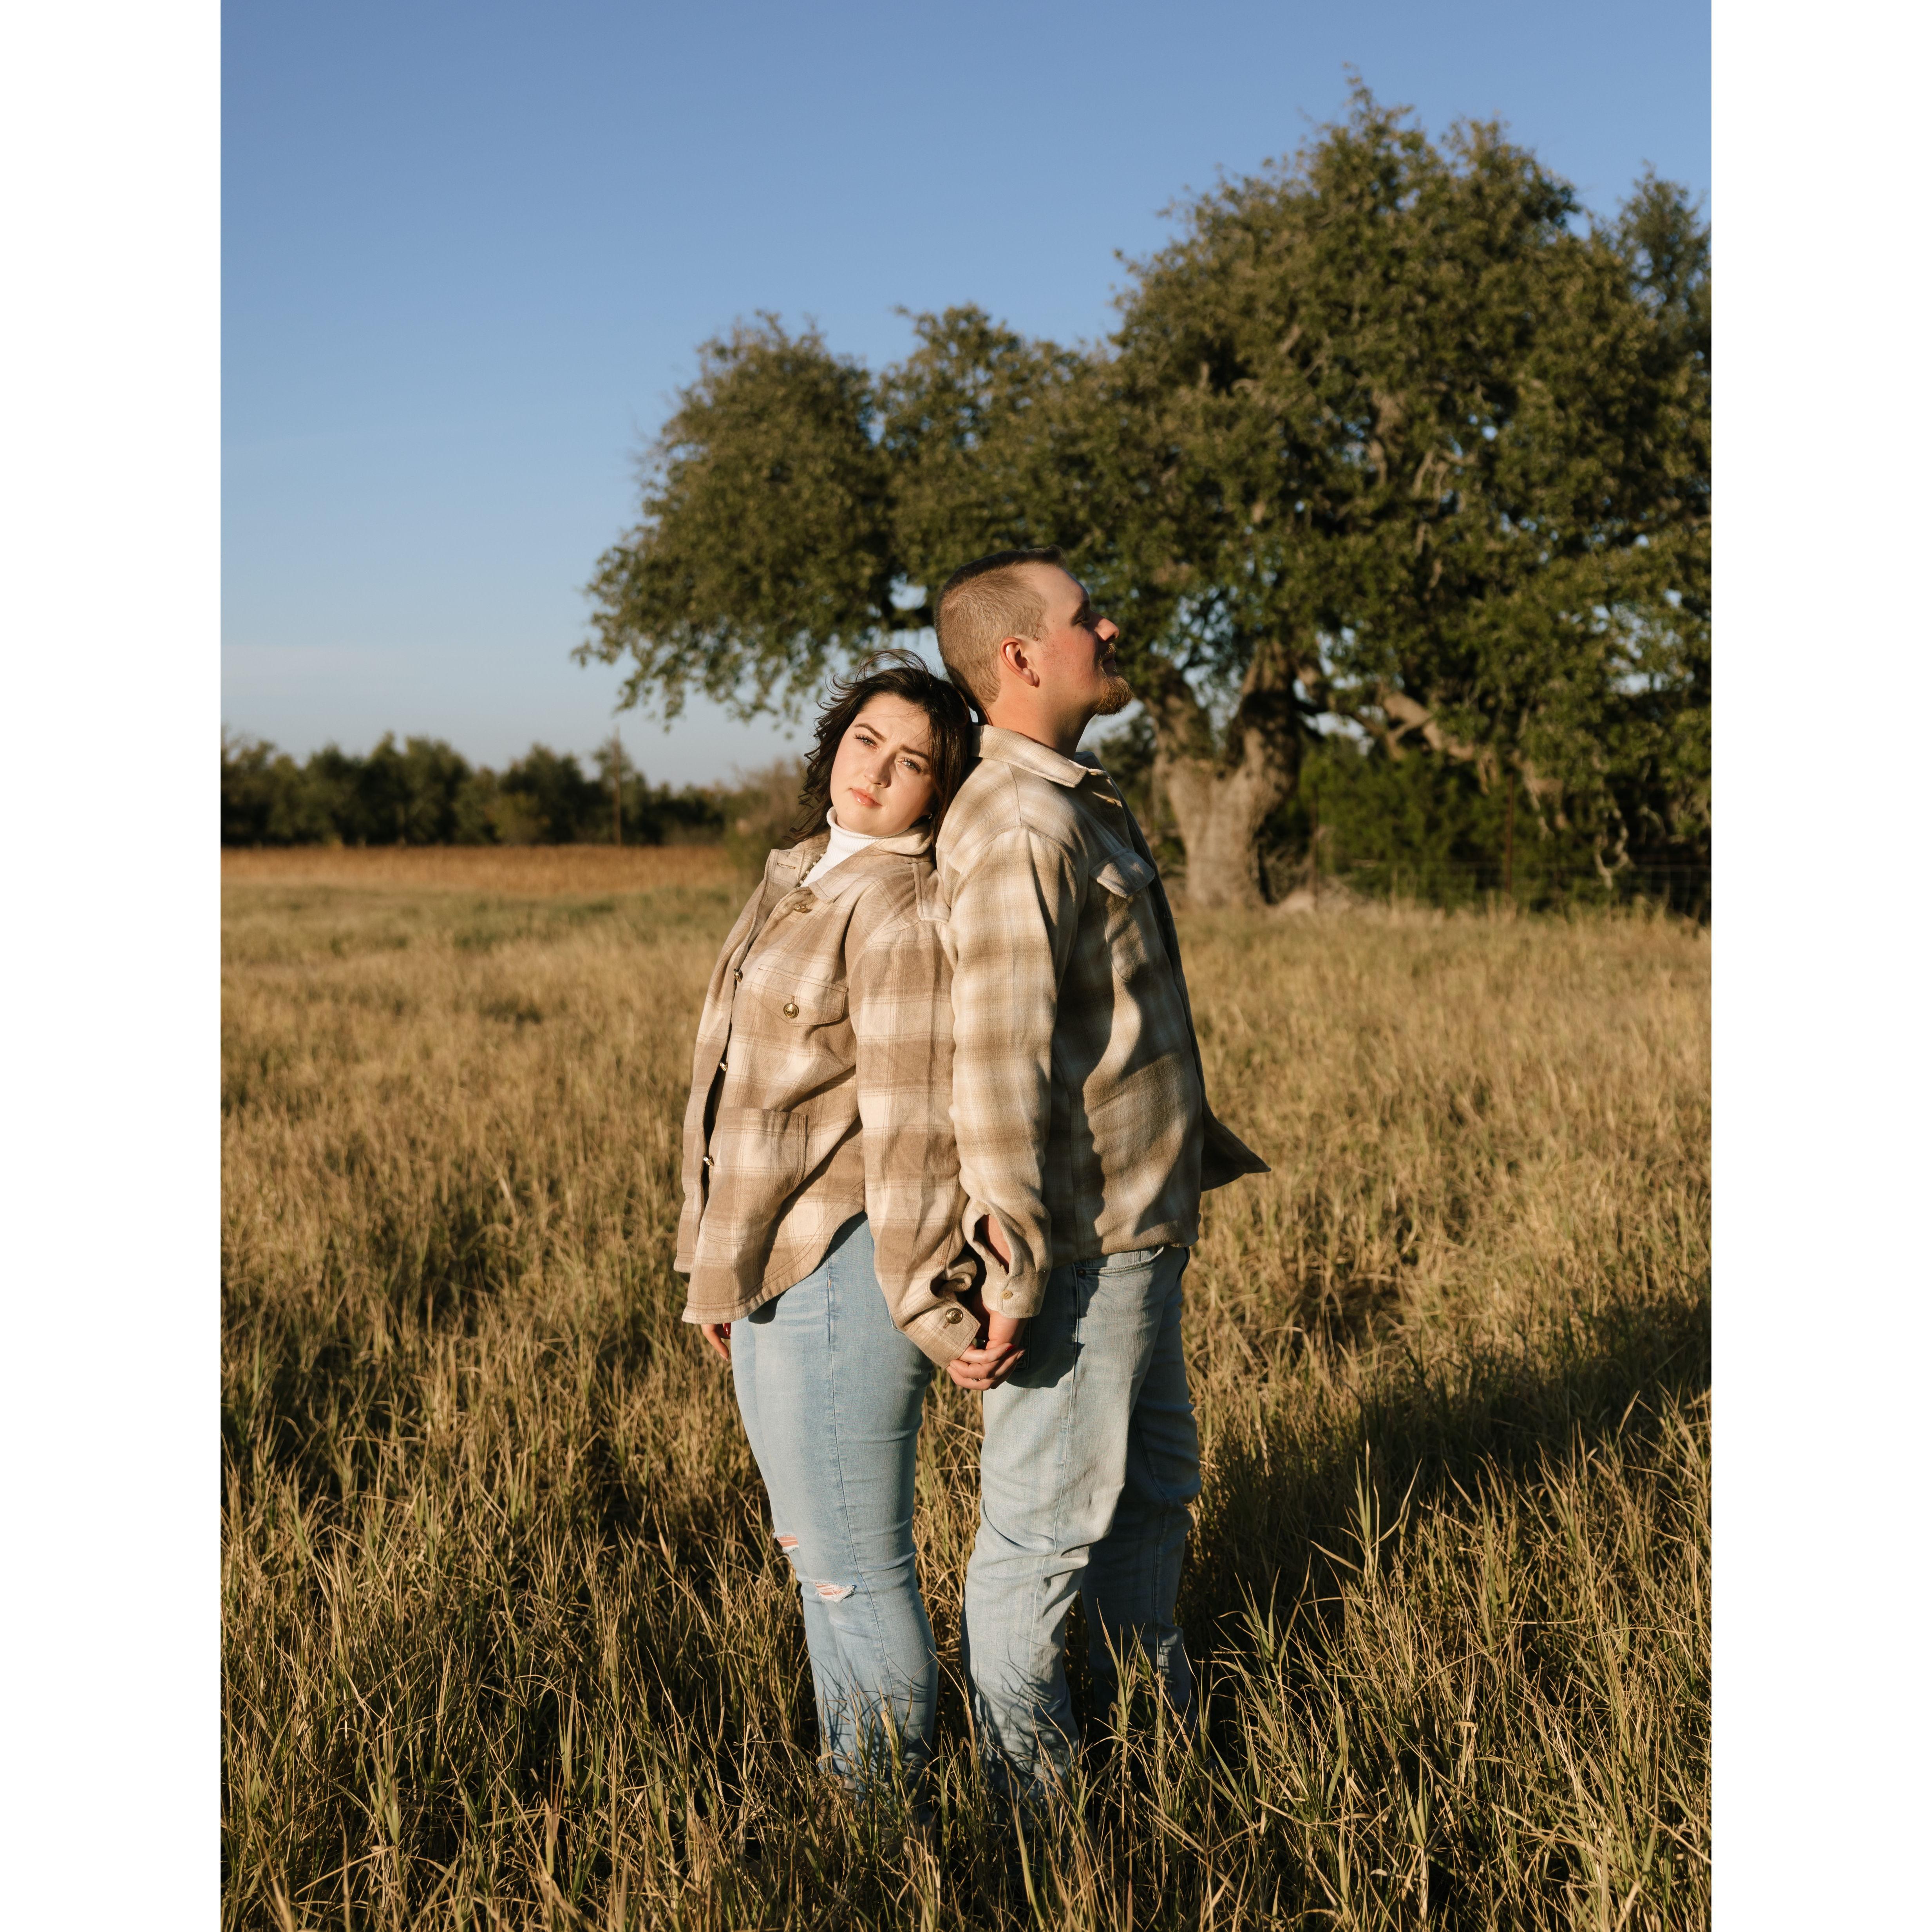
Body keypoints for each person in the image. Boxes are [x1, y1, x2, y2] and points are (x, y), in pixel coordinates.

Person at [930, 547, 1270, 1799]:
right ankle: (1035, 1813)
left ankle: (1156, 1753)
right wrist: (1014, 1268)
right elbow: (996, 1066)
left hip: (1138, 1229)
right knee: (1043, 1534)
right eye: (1087, 617)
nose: (1110, 628)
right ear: (1019, 656)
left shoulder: (1070, 801)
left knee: (1150, 1494)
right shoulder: (1020, 819)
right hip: (1077, 1248)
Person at [674, 651, 980, 1805]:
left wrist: (930, 1299)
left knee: (851, 1561)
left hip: (845, 1265)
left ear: (939, 791)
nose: (880, 771)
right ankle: (858, 1787)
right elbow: (726, 1087)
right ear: (835, 741)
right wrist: (716, 1266)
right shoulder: (802, 870)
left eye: (914, 763)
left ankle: (883, 1815)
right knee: (813, 1550)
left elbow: (915, 1129)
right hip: (769, 1259)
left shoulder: (898, 907)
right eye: (868, 741)